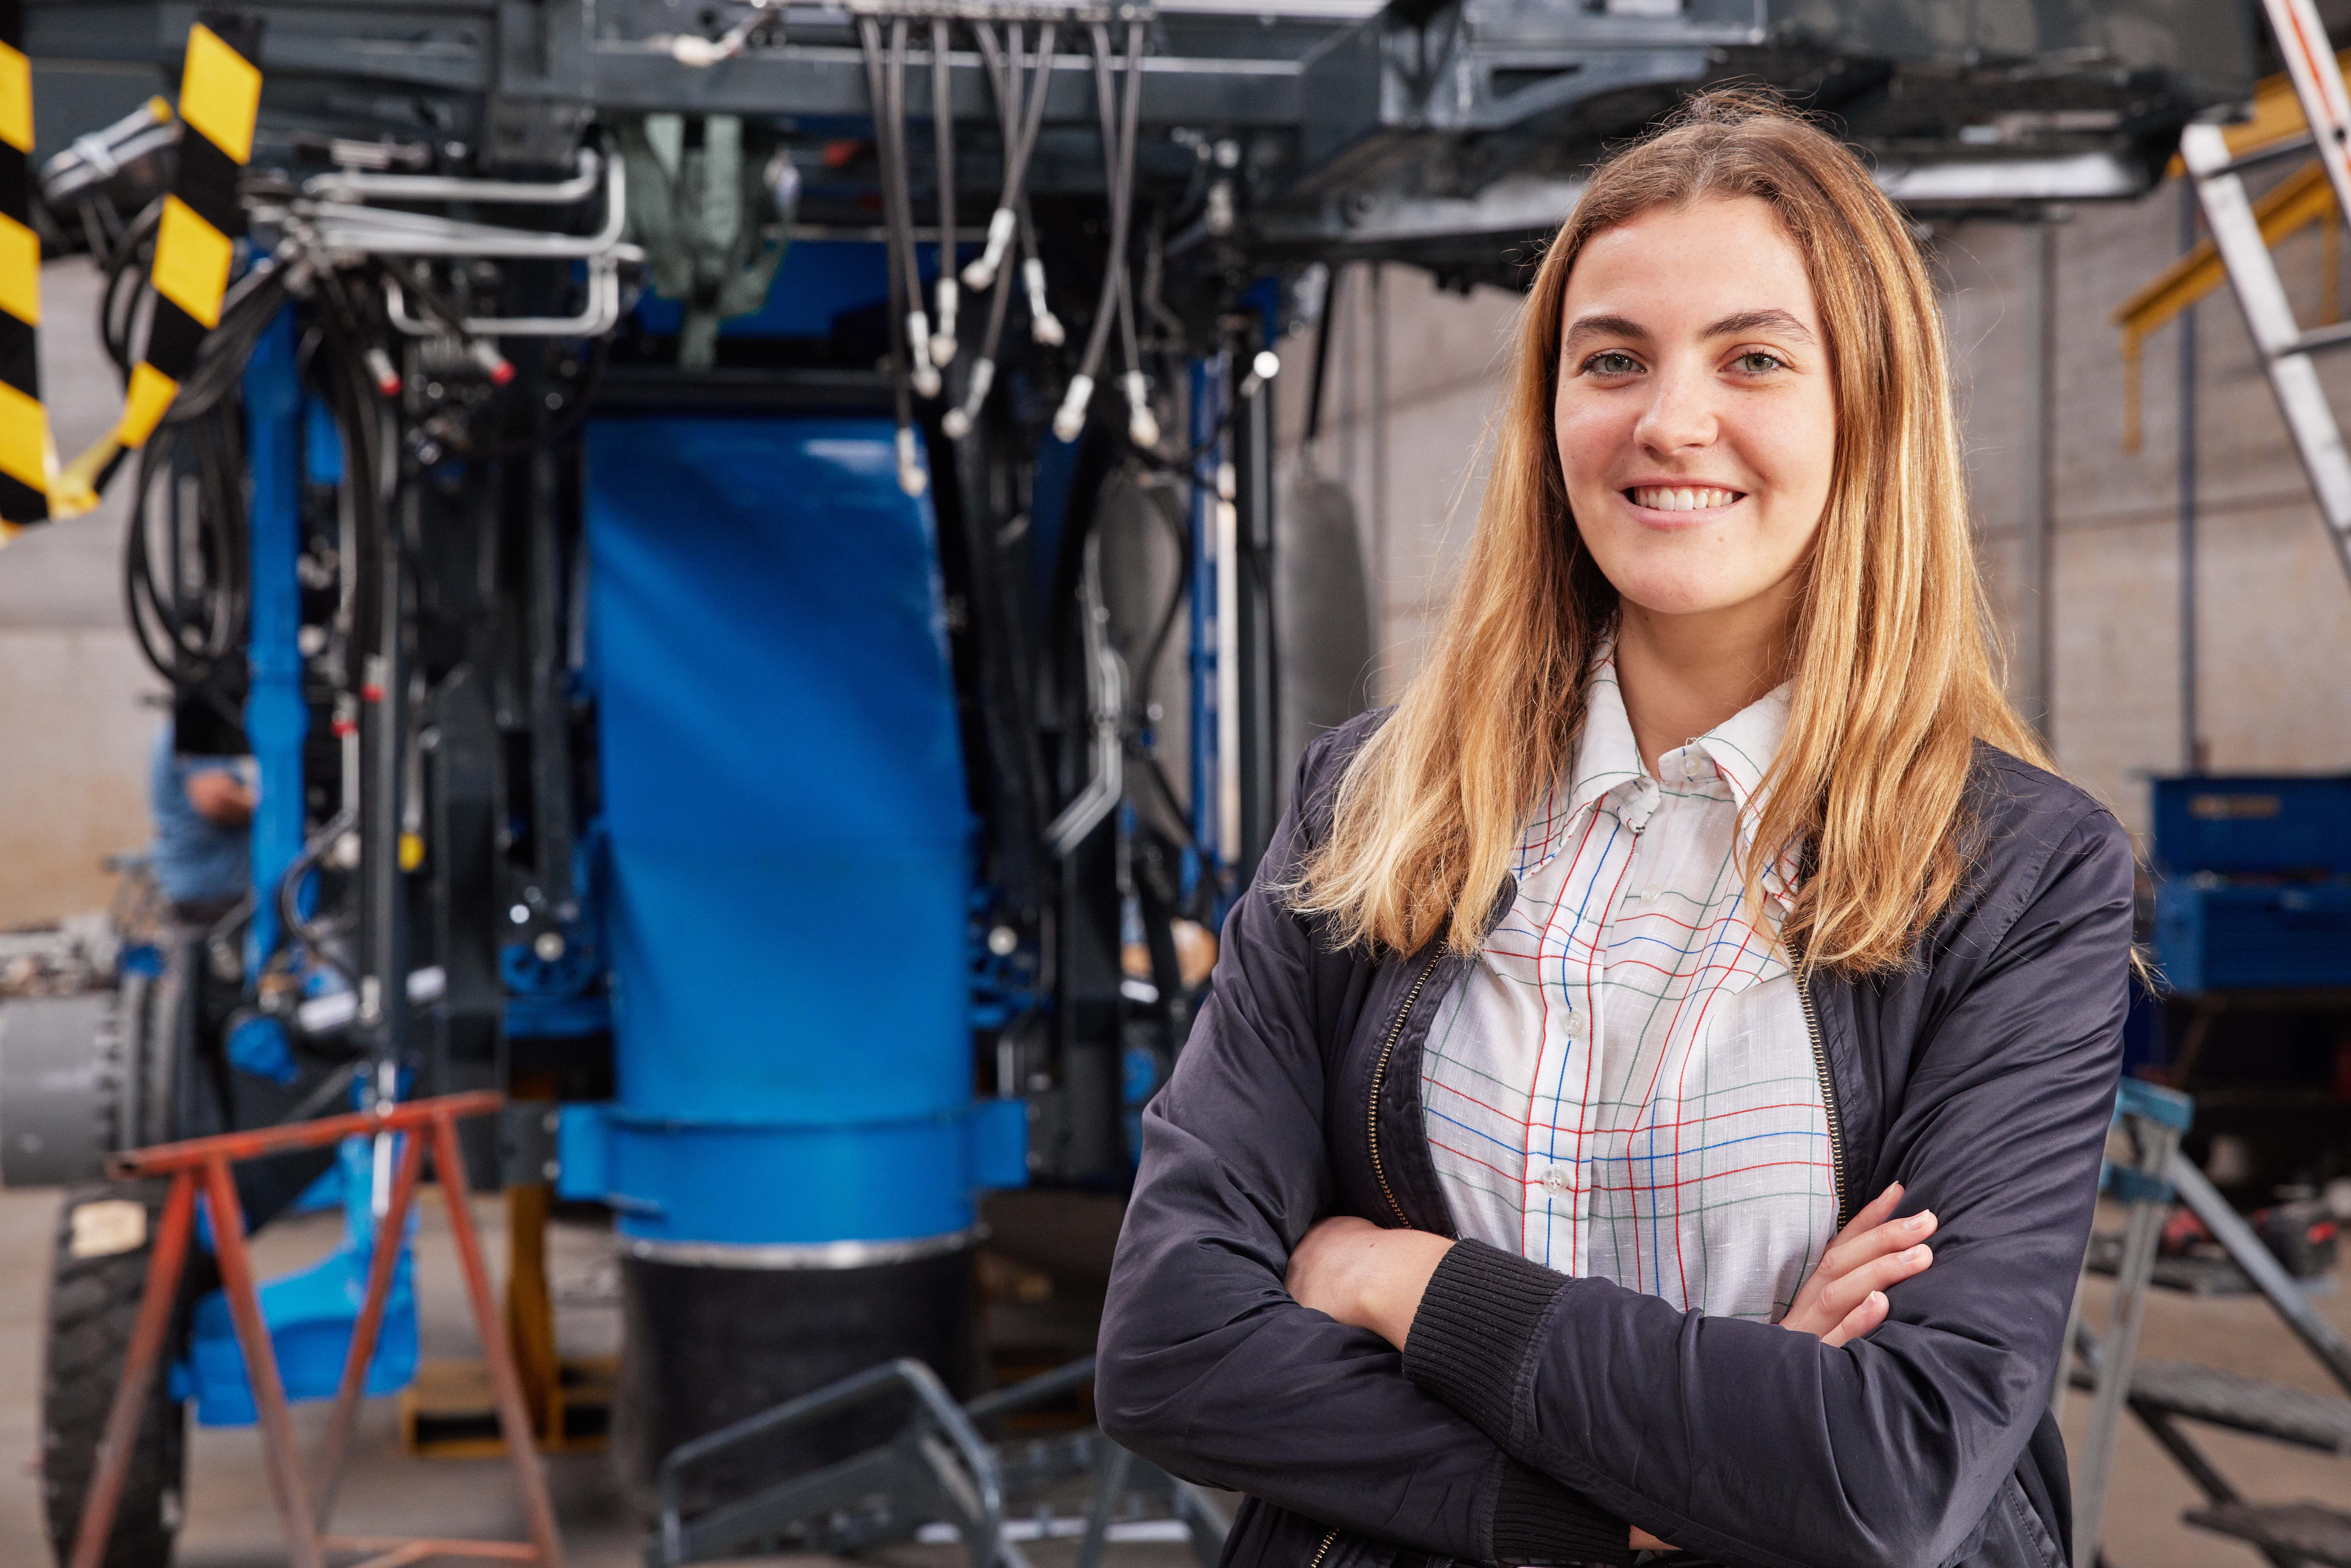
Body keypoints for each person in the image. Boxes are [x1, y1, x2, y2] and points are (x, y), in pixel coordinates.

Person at [1096, 91, 2131, 1568]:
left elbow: (1889, 1464)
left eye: (1754, 358)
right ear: (1551, 413)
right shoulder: (1368, 806)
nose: (1669, 421)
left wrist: (1404, 1281)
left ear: (1870, 411)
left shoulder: (2021, 874)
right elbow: (1172, 1346)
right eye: (1614, 359)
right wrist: (1643, 1496)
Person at [149, 719, 255, 926]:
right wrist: (278, 807)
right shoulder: (197, 726)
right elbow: (218, 800)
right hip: (210, 890)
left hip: (205, 886)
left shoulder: (186, 729)